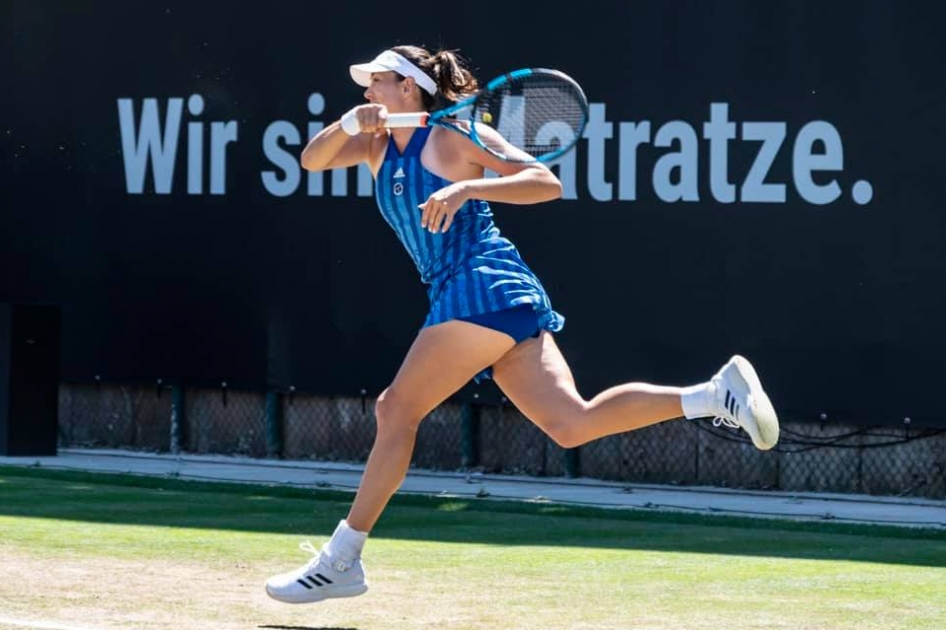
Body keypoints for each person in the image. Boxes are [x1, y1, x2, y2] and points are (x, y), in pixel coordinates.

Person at [265, 45, 779, 604]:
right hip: (477, 293)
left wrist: (468, 186)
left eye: (377, 83)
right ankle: (711, 395)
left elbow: (543, 181)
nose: (367, 93)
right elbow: (312, 160)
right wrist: (347, 123)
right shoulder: (374, 145)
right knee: (571, 424)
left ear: (408, 88)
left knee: (395, 409)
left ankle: (342, 559)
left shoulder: (457, 135)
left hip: (482, 284)